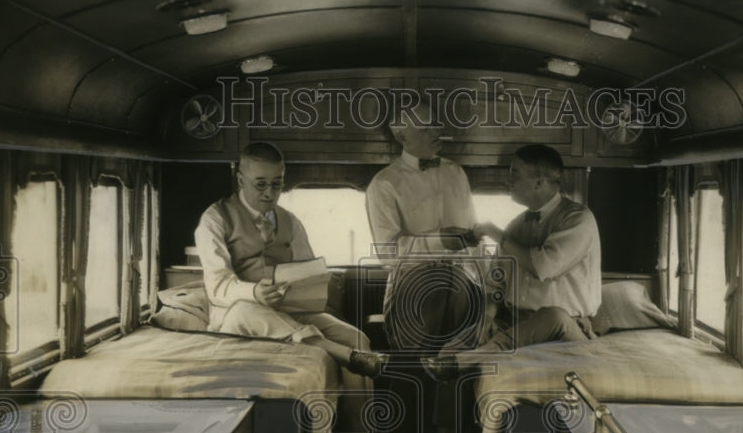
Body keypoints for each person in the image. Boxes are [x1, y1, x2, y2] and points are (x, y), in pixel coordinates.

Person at [194, 142, 387, 389]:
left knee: (357, 337)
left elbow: (307, 272)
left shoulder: (290, 221)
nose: (269, 193)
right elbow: (217, 285)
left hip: (288, 311)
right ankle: (339, 353)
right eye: (260, 184)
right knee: (246, 309)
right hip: (235, 316)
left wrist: (310, 285)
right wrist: (254, 292)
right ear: (241, 180)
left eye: (277, 184)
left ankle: (362, 426)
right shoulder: (214, 219)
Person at [423, 143, 601, 378]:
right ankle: (453, 373)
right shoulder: (516, 226)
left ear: (539, 182)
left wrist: (493, 232)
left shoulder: (578, 219)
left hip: (565, 328)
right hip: (515, 321)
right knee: (448, 352)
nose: (507, 181)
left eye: (514, 174)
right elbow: (495, 283)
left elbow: (543, 266)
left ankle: (477, 356)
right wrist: (488, 316)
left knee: (554, 315)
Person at [365, 99, 485, 352]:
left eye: (436, 124)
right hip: (414, 286)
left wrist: (487, 285)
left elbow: (474, 235)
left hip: (463, 283)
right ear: (402, 137)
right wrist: (439, 240)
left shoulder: (456, 173)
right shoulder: (384, 183)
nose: (436, 131)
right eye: (425, 127)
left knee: (461, 364)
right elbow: (387, 253)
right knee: (417, 368)